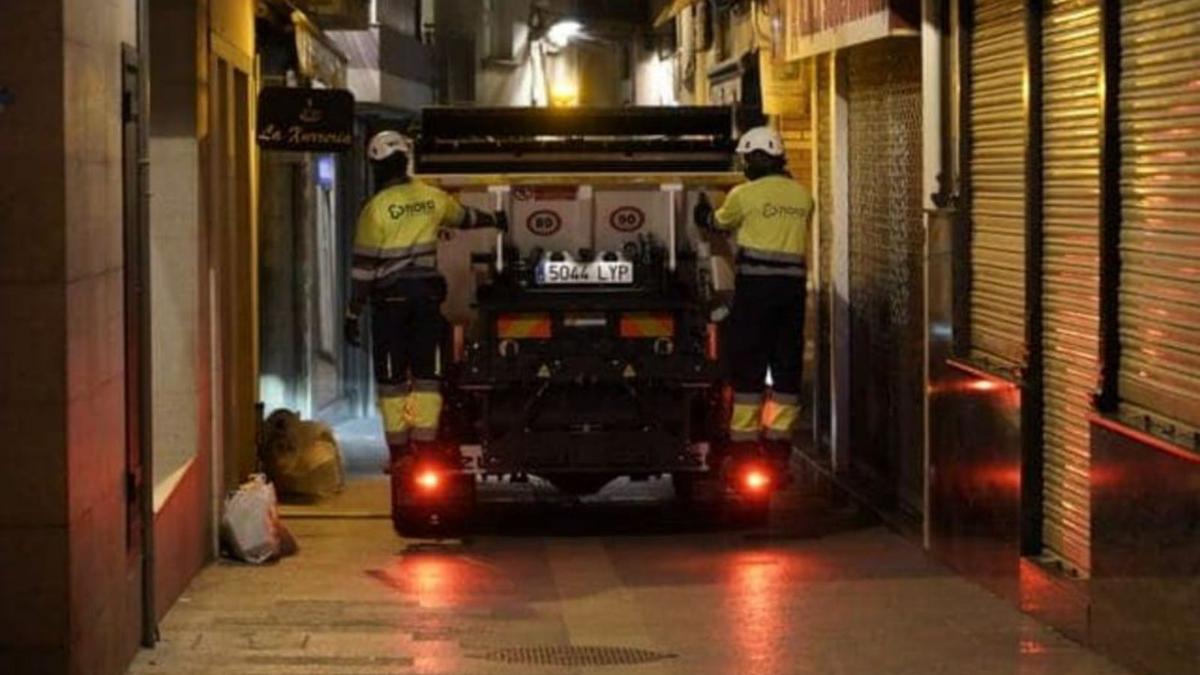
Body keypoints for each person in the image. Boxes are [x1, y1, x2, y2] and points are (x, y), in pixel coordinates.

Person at [345, 130, 506, 464]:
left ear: (376, 168)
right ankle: (426, 446)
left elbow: (362, 270)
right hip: (427, 300)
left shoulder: (375, 209)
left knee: (392, 380)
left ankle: (400, 451)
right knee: (427, 377)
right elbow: (465, 217)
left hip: (389, 303)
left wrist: (352, 312)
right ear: (406, 162)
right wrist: (495, 219)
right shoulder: (432, 197)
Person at [694, 125, 813, 463]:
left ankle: (744, 442)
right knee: (787, 364)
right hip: (792, 294)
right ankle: (778, 442)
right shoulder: (803, 196)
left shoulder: (743, 195)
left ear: (758, 158)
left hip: (756, 292)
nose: (745, 165)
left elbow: (719, 223)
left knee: (749, 364)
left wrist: (702, 214)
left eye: (747, 158)